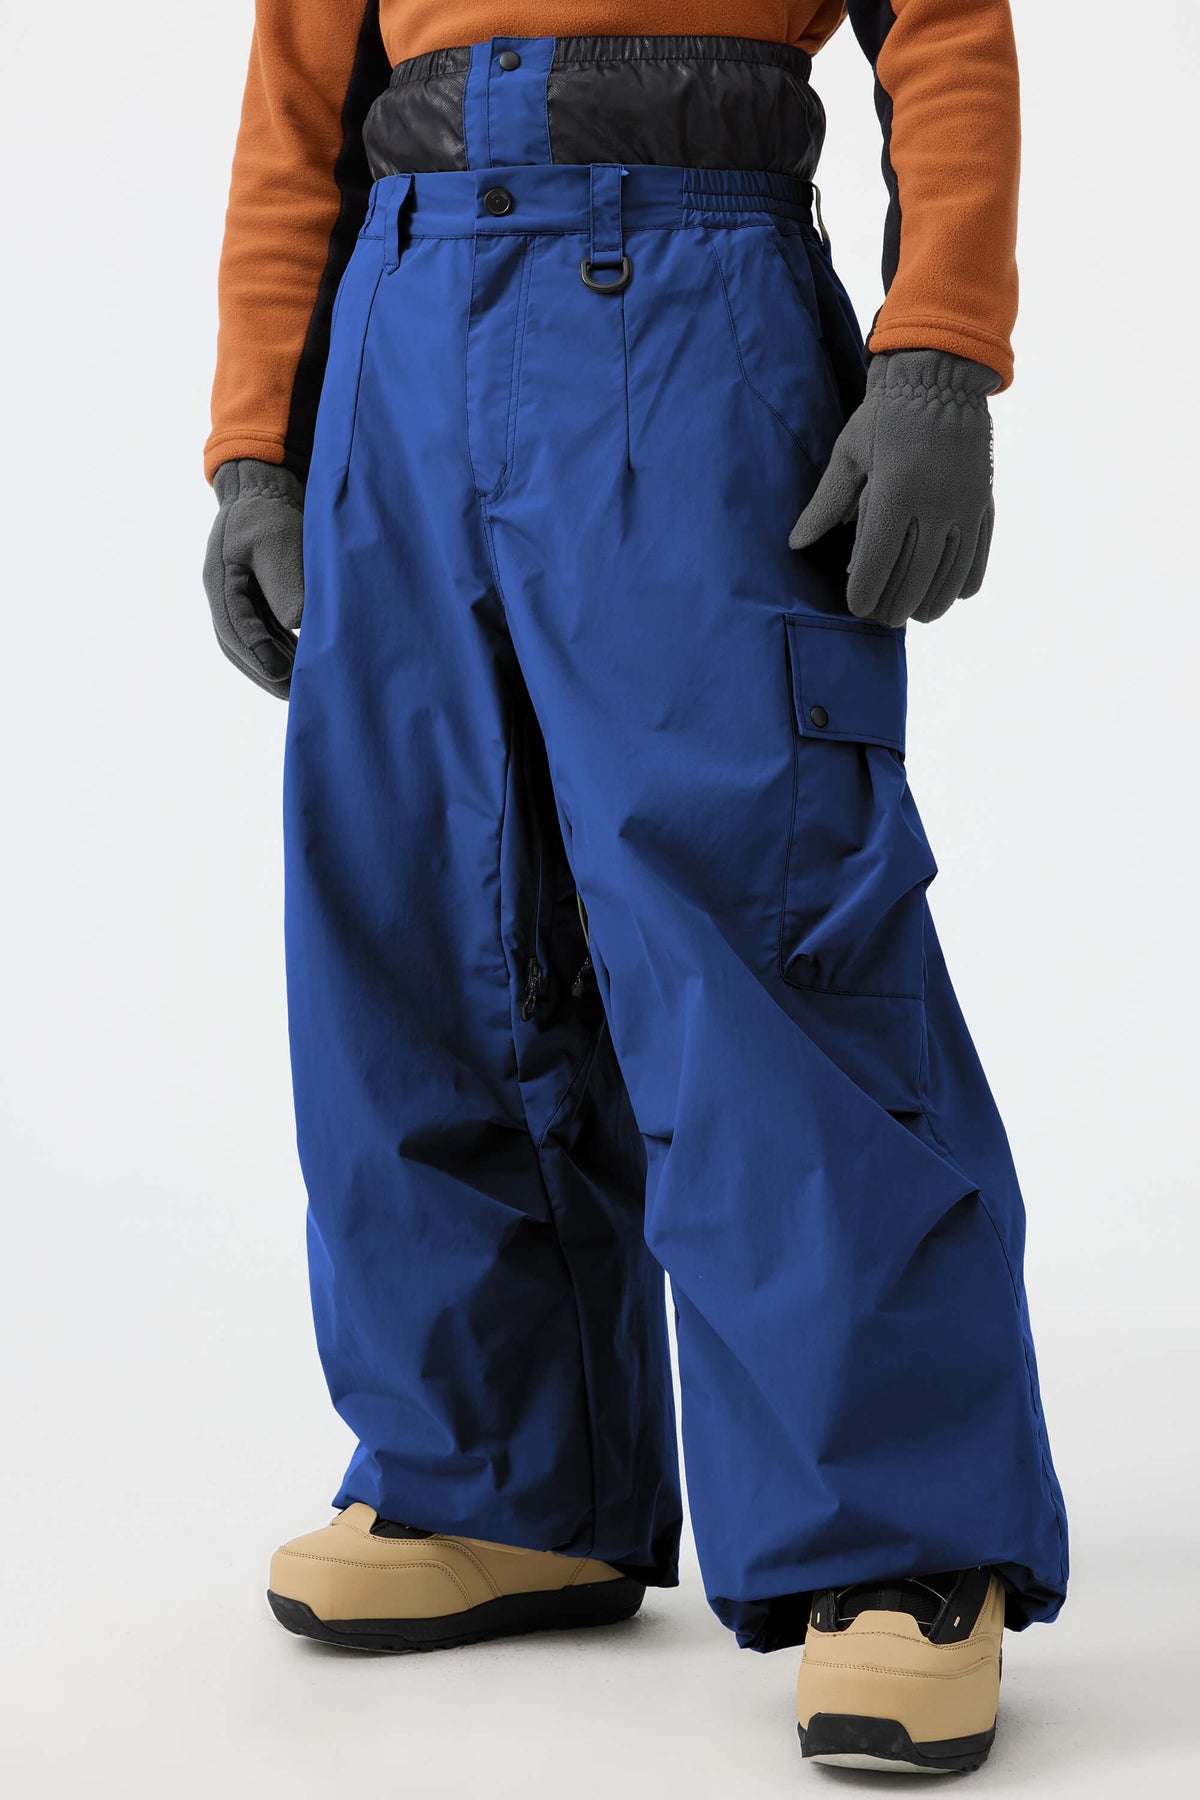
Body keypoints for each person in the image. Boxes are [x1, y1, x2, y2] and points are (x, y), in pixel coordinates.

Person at [202, 2, 1068, 1775]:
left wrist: (937, 353)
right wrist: (255, 447)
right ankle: (506, 1481)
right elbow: (300, 93)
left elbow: (944, 29)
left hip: (686, 296)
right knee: (419, 924)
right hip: (398, 316)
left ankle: (903, 1543)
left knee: (760, 925)